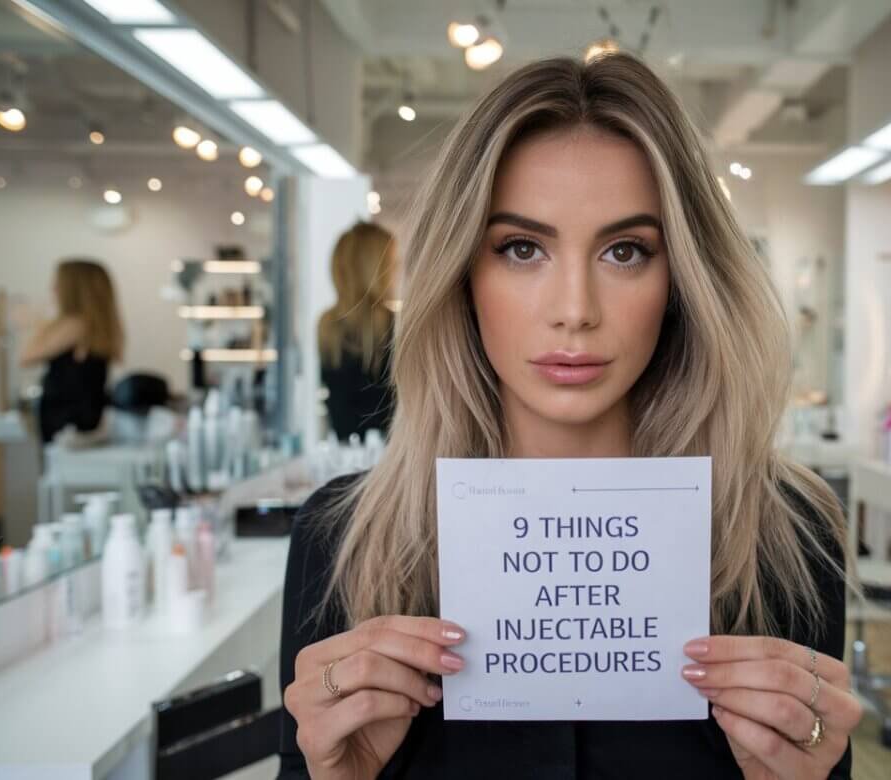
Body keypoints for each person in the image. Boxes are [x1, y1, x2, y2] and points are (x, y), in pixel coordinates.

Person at [280, 53, 860, 779]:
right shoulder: (341, 542)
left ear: (680, 277)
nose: (575, 311)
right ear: (462, 275)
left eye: (626, 251)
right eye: (522, 249)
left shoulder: (788, 539)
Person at [19, 258, 124, 444]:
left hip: (65, 420)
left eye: (57, 283)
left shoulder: (74, 325)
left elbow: (26, 356)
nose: (53, 289)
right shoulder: (94, 326)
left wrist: (45, 318)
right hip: (83, 418)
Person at [318, 222, 398, 441]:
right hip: (389, 453)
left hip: (343, 452)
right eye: (393, 265)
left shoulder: (327, 328)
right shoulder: (395, 326)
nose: (396, 273)